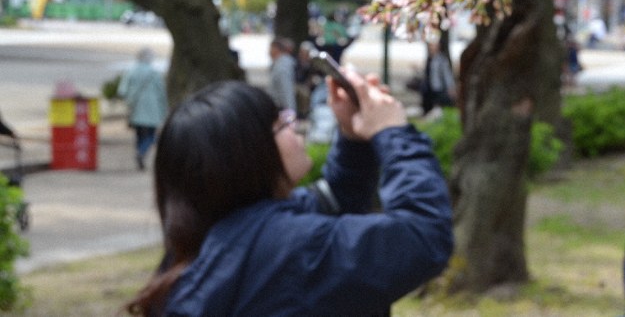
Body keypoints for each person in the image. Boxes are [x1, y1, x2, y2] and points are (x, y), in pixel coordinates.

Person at [124, 71, 453, 316]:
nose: (293, 125)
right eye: (280, 123)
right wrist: (393, 134)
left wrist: (352, 138)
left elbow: (333, 202)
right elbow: (423, 235)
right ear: (251, 155)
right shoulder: (291, 248)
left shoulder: (221, 231)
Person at [118, 47, 168, 170]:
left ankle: (140, 152)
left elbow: (122, 91)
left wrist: (129, 99)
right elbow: (161, 94)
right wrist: (164, 111)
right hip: (153, 109)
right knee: (151, 134)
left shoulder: (131, 72)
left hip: (136, 108)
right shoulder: (155, 73)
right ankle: (142, 152)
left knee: (139, 134)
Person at [421, 39, 456, 115]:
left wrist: (450, 87)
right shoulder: (429, 59)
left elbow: (447, 74)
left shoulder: (441, 59)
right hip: (428, 88)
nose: (432, 47)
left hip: (438, 87)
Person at [268, 36, 297, 114]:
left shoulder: (282, 67)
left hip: (282, 109)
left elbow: (287, 90)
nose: (268, 52)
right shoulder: (279, 64)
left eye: (270, 48)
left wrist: (291, 112)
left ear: (276, 49)